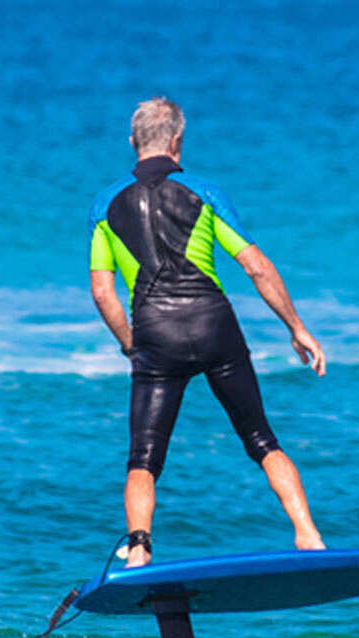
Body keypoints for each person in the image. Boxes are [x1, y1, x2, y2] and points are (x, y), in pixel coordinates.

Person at [87, 97, 327, 567]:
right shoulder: (204, 192)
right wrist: (297, 328)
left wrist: (131, 344)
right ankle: (308, 534)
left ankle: (138, 549)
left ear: (132, 142)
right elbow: (255, 267)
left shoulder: (105, 205)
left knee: (143, 458)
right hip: (214, 325)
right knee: (261, 439)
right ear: (177, 141)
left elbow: (102, 293)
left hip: (155, 331)